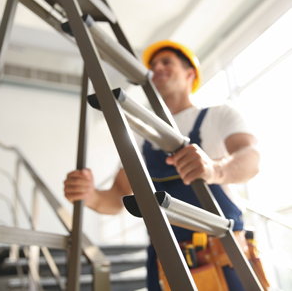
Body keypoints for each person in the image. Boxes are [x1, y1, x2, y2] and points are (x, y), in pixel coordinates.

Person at [64, 40, 261, 291]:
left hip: (223, 254)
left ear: (190, 73)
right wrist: (88, 195)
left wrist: (214, 169)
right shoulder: (141, 134)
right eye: (153, 64)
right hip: (165, 260)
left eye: (166, 61)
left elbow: (250, 157)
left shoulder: (219, 115)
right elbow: (117, 196)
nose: (157, 67)